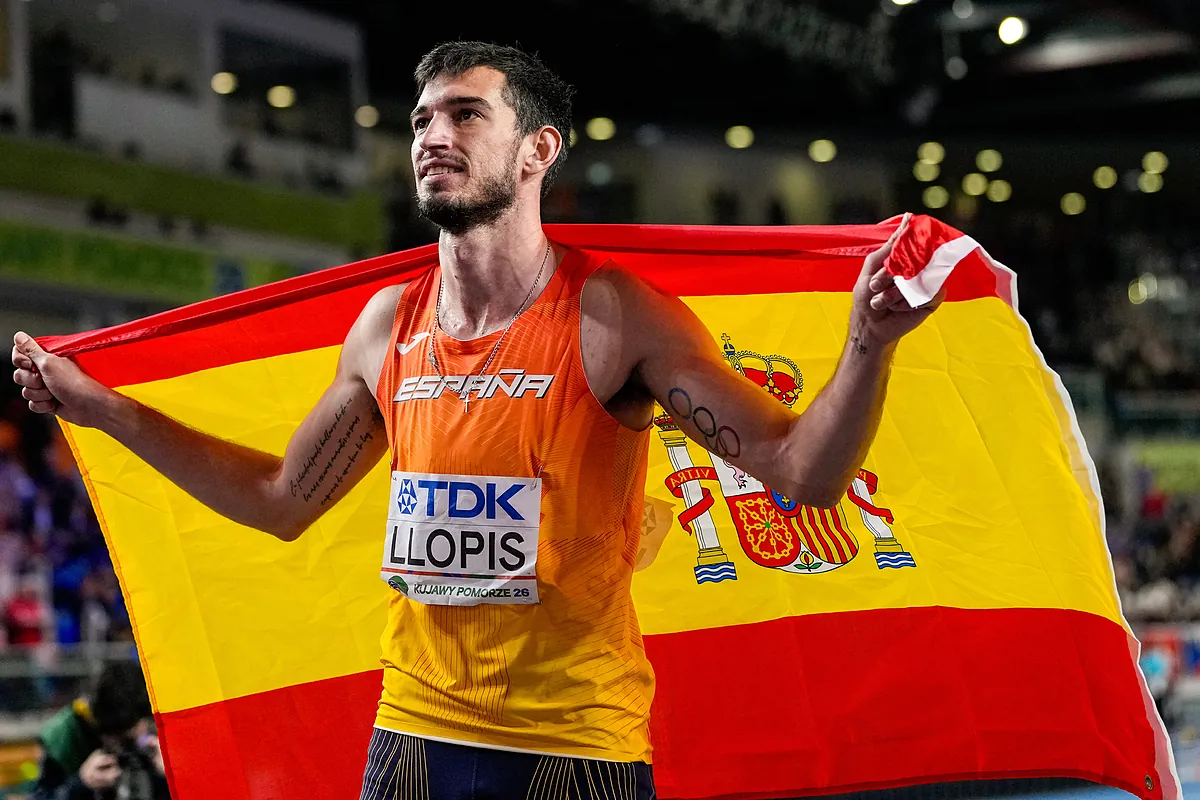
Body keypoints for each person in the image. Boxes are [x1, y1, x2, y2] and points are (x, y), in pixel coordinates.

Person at [11, 42, 942, 800]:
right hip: (413, 738)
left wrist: (869, 343)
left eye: (465, 114)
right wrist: (102, 410)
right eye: (420, 119)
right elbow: (278, 501)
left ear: (539, 150)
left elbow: (800, 475)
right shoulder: (387, 328)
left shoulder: (611, 316)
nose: (431, 135)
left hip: (575, 748)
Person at [31, 659, 169, 800]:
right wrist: (80, 785)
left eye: (131, 740)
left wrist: (173, 775)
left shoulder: (164, 728)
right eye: (117, 741)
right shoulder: (64, 737)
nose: (124, 751)